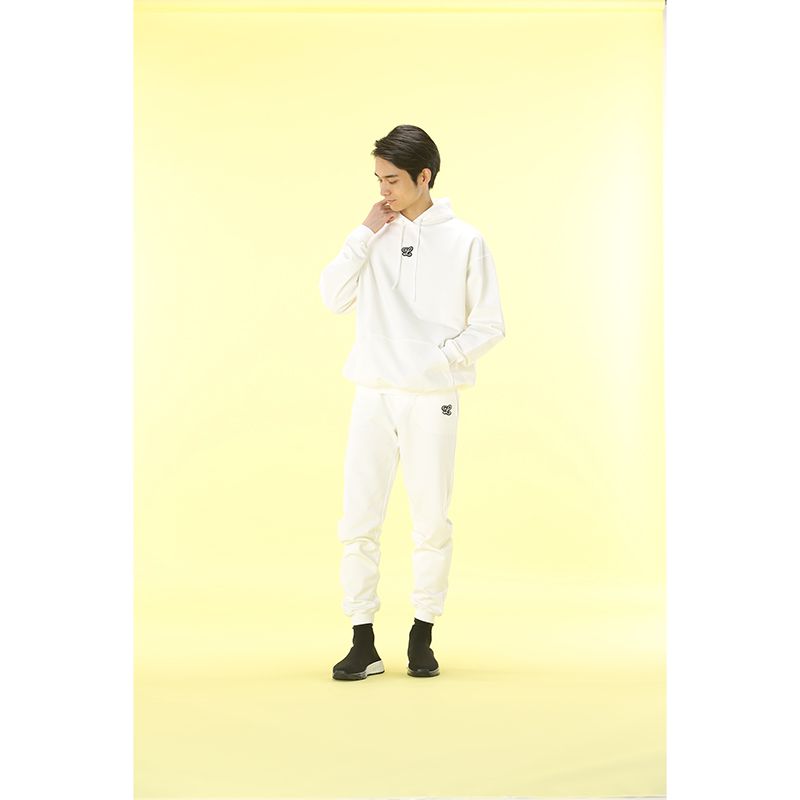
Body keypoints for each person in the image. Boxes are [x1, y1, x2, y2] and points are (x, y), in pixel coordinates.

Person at [319, 124, 506, 680]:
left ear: (424, 177)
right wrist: (363, 232)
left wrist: (439, 360)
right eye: (378, 179)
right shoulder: (373, 236)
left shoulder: (466, 241)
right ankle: (363, 641)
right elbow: (332, 296)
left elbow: (490, 324)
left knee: (430, 521)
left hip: (432, 399)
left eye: (393, 180)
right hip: (373, 392)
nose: (383, 190)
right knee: (358, 518)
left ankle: (422, 634)